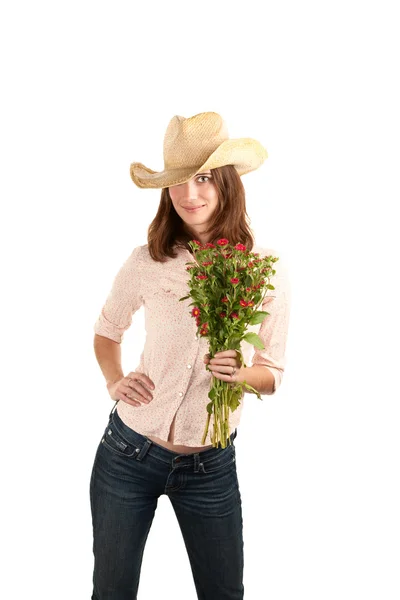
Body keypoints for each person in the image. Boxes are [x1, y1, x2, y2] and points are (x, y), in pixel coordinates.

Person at [90, 111, 291, 600]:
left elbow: (273, 375)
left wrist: (241, 374)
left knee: (224, 594)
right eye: (178, 181)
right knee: (112, 592)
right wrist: (114, 380)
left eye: (202, 178)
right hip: (127, 453)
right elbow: (106, 331)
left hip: (210, 466)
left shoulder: (263, 270)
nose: (189, 194)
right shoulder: (148, 260)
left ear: (226, 183)